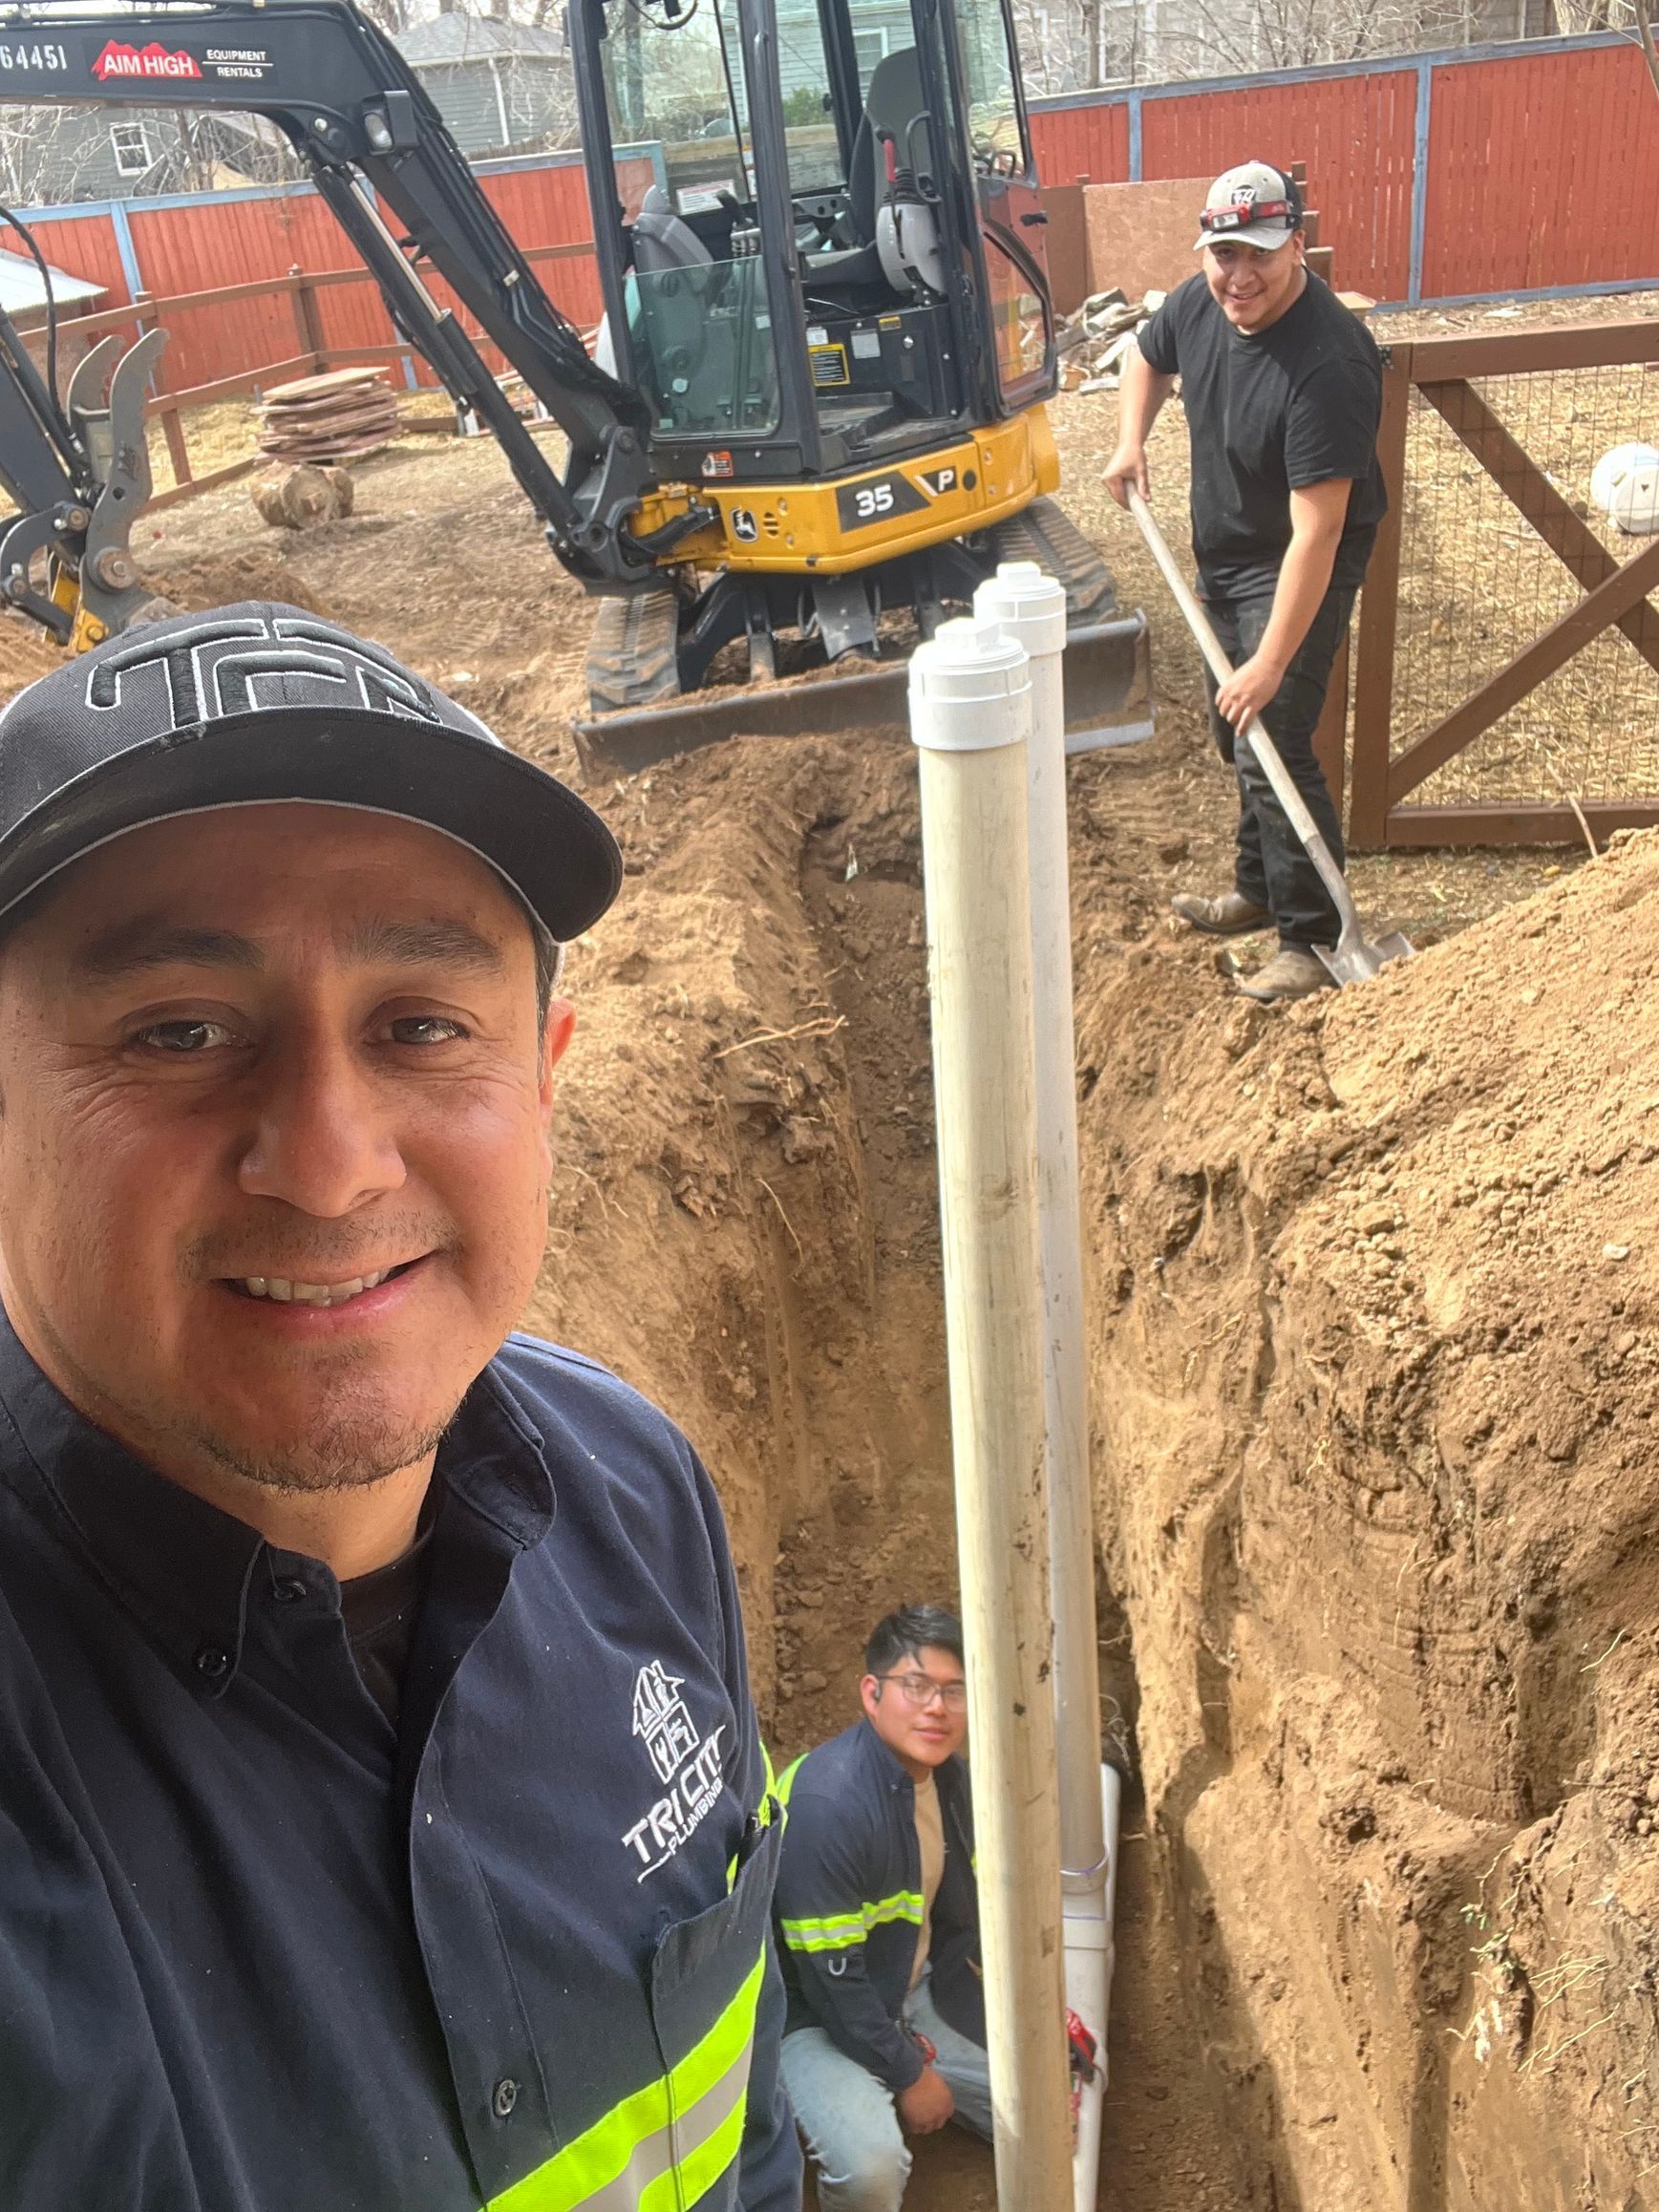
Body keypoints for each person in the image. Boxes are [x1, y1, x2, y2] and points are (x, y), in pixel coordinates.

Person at [0, 604, 798, 2212]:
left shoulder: (632, 1488)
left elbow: (747, 2130)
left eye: (421, 1027)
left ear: (546, 1074)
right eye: (181, 1033)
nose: (330, 1158)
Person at [1105, 160, 1387, 1004]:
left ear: (1295, 244)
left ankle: (1313, 941)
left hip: (1297, 560)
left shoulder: (1328, 363)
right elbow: (1142, 358)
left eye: (1258, 253)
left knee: (1270, 732)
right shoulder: (1202, 298)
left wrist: (1267, 664)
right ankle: (1259, 889)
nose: (1239, 275)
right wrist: (1131, 441)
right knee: (1232, 733)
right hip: (1225, 549)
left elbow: (1318, 532)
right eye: (1222, 252)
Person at [773, 1605, 988, 2212]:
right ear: (872, 1694)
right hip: (811, 2017)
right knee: (870, 2171)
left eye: (955, 1690)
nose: (937, 1708)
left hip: (909, 1986)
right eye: (916, 1686)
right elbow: (832, 1982)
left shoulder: (951, 1782)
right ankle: (861, 2100)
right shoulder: (829, 1805)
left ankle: (892, 2079)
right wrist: (909, 2075)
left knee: (1052, 2100)